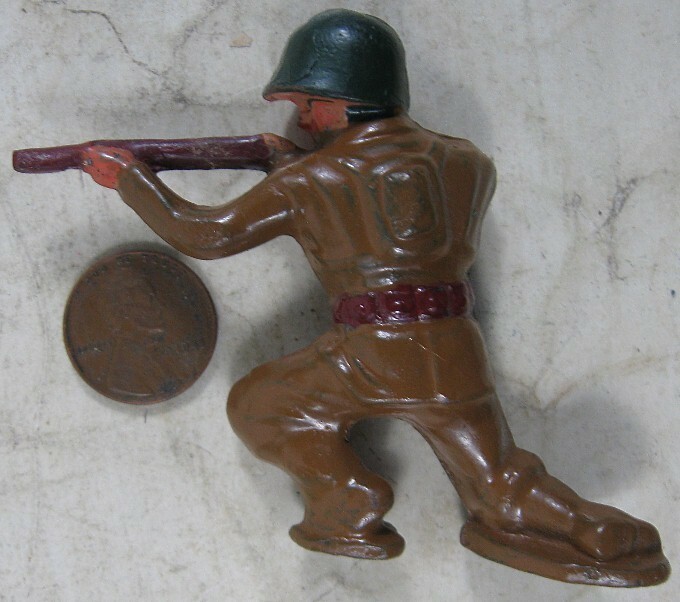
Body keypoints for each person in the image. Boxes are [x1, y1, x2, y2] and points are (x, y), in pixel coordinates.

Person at [79, 9, 668, 586]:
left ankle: (347, 500)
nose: (303, 118)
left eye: (309, 104)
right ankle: (586, 525)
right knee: (499, 479)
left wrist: (130, 180)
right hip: (454, 349)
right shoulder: (467, 163)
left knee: (259, 407)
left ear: (345, 100)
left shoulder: (309, 182)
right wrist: (295, 165)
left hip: (371, 353)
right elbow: (384, 202)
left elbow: (206, 235)